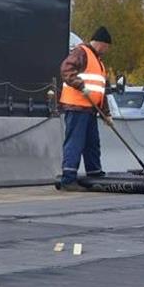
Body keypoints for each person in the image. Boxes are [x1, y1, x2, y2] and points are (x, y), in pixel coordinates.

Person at [57, 26, 112, 191]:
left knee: (92, 143)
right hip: (77, 106)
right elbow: (66, 70)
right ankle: (68, 178)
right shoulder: (81, 53)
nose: (107, 50)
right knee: (75, 142)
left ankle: (94, 172)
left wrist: (106, 114)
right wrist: (80, 85)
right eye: (107, 47)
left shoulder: (99, 62)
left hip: (90, 109)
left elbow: (100, 91)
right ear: (101, 43)